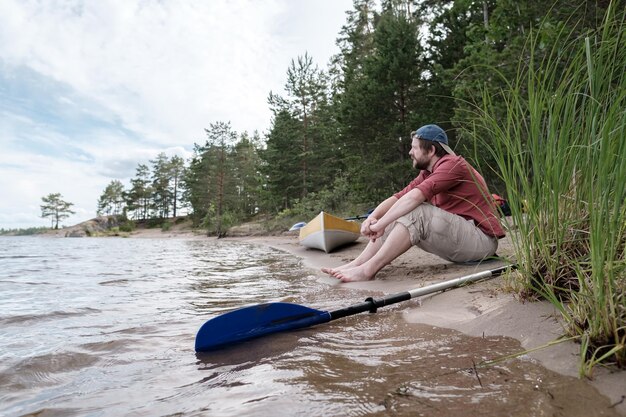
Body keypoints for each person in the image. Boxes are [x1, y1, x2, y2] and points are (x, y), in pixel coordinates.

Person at [322, 124, 505, 282]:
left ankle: (367, 271)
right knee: (398, 210)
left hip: (482, 243)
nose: (410, 152)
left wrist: (380, 224)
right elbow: (399, 198)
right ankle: (357, 264)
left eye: (414, 148)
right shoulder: (428, 172)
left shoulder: (453, 164)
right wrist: (374, 217)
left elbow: (415, 198)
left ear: (431, 150)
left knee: (416, 211)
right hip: (464, 242)